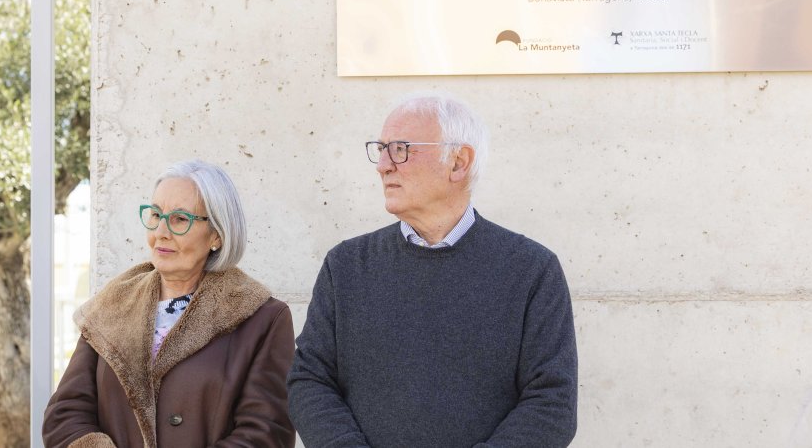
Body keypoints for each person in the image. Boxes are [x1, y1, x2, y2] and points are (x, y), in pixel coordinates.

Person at [287, 93, 578, 448]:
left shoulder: (532, 270)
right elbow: (310, 379)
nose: (383, 165)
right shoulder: (346, 266)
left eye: (400, 149)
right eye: (380, 149)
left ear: (458, 162)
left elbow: (552, 403)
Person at [43, 159, 295, 448]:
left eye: (179, 219)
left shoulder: (262, 319)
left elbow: (266, 433)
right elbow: (65, 415)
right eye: (156, 215)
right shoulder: (110, 306)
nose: (161, 231)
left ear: (216, 235)